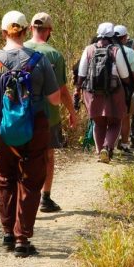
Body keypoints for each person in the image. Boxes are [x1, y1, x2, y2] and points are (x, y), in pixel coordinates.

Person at [0, 11, 61, 257]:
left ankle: (8, 233)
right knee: (31, 181)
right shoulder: (40, 60)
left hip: (2, 128)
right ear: (24, 31)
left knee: (5, 177)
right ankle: (23, 239)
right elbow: (54, 99)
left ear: (3, 33)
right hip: (35, 128)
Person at [24, 12, 77, 213]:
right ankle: (45, 198)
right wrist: (72, 112)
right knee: (47, 155)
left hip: (20, 115)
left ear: (30, 29)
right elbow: (62, 91)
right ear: (49, 31)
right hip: (49, 115)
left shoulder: (18, 50)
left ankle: (26, 195)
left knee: (24, 155)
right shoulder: (55, 55)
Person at [74, 22, 132, 163]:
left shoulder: (88, 50)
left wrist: (77, 89)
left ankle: (100, 152)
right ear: (112, 35)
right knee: (115, 122)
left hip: (92, 92)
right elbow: (124, 75)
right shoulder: (115, 50)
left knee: (98, 123)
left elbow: (81, 73)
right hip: (114, 92)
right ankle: (107, 147)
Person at [113, 24, 134, 154]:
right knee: (125, 117)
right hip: (125, 90)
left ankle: (108, 144)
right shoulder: (130, 53)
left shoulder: (107, 49)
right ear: (125, 37)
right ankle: (125, 144)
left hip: (106, 89)